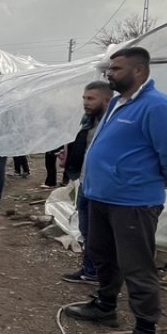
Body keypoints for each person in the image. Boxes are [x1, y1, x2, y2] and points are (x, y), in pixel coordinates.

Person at [64, 47, 167, 334]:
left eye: (117, 68)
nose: (110, 73)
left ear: (139, 71)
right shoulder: (117, 104)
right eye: (110, 68)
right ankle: (105, 307)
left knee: (137, 266)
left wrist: (145, 182)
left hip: (133, 202)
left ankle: (145, 333)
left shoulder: (157, 106)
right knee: (102, 255)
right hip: (101, 198)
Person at [59, 81, 111, 284]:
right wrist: (68, 157)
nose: (85, 102)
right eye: (84, 98)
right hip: (85, 183)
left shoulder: (112, 122)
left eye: (91, 99)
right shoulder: (89, 120)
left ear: (106, 99)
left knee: (100, 233)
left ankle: (101, 273)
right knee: (87, 230)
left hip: (103, 187)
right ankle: (90, 270)